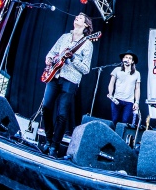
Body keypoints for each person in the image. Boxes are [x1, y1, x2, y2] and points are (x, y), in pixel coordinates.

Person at [40, 13, 94, 158]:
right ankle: (48, 139)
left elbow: (86, 69)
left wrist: (73, 59)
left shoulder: (87, 43)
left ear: (86, 25)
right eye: (77, 16)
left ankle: (54, 146)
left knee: (62, 114)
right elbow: (52, 52)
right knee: (46, 107)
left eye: (81, 18)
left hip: (70, 80)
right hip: (54, 75)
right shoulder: (64, 37)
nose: (77, 17)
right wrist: (49, 59)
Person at [107, 49, 141, 125]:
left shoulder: (137, 73)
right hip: (116, 99)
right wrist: (110, 94)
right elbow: (111, 82)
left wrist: (137, 102)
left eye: (130, 58)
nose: (127, 59)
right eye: (126, 57)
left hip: (129, 102)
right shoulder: (117, 70)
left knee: (124, 121)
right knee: (114, 120)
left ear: (132, 61)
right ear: (123, 59)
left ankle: (121, 136)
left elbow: (137, 88)